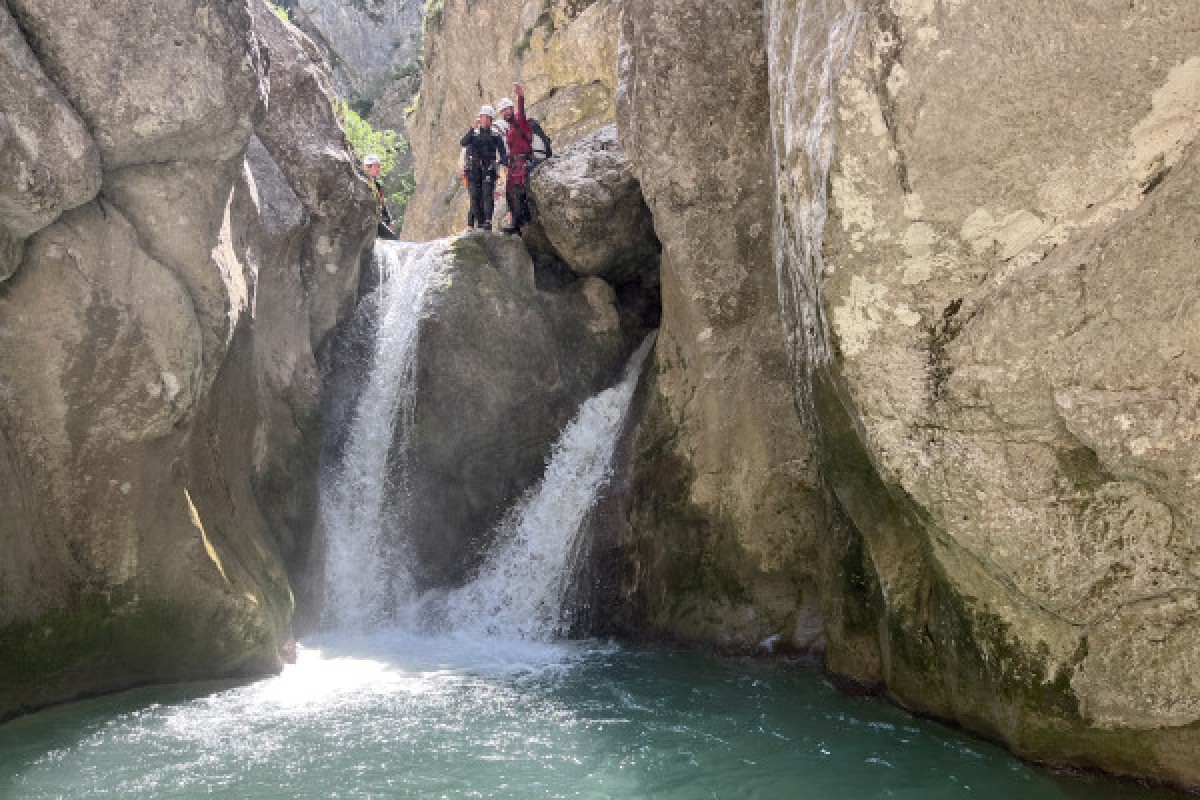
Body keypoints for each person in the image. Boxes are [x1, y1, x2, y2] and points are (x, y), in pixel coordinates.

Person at [459, 104, 507, 231]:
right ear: (479, 118)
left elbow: (502, 151)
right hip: (473, 169)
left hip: (488, 168)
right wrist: (471, 128)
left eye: (488, 118)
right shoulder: (473, 133)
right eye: (483, 117)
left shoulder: (495, 135)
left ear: (491, 120)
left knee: (487, 194)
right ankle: (479, 222)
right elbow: (463, 142)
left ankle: (487, 221)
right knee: (474, 195)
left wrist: (505, 163)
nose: (485, 120)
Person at [497, 83, 534, 234]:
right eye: (503, 112)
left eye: (507, 109)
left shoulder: (519, 119)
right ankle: (515, 222)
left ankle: (519, 224)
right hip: (514, 164)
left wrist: (520, 96)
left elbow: (522, 111)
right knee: (508, 193)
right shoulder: (510, 127)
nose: (505, 113)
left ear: (512, 109)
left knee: (518, 192)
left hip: (522, 162)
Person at [364, 154, 397, 240]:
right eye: (376, 166)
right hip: (369, 219)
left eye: (379, 166)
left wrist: (389, 221)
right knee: (391, 238)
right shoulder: (363, 182)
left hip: (377, 219)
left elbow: (383, 204)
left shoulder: (377, 185)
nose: (379, 169)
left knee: (391, 238)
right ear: (368, 167)